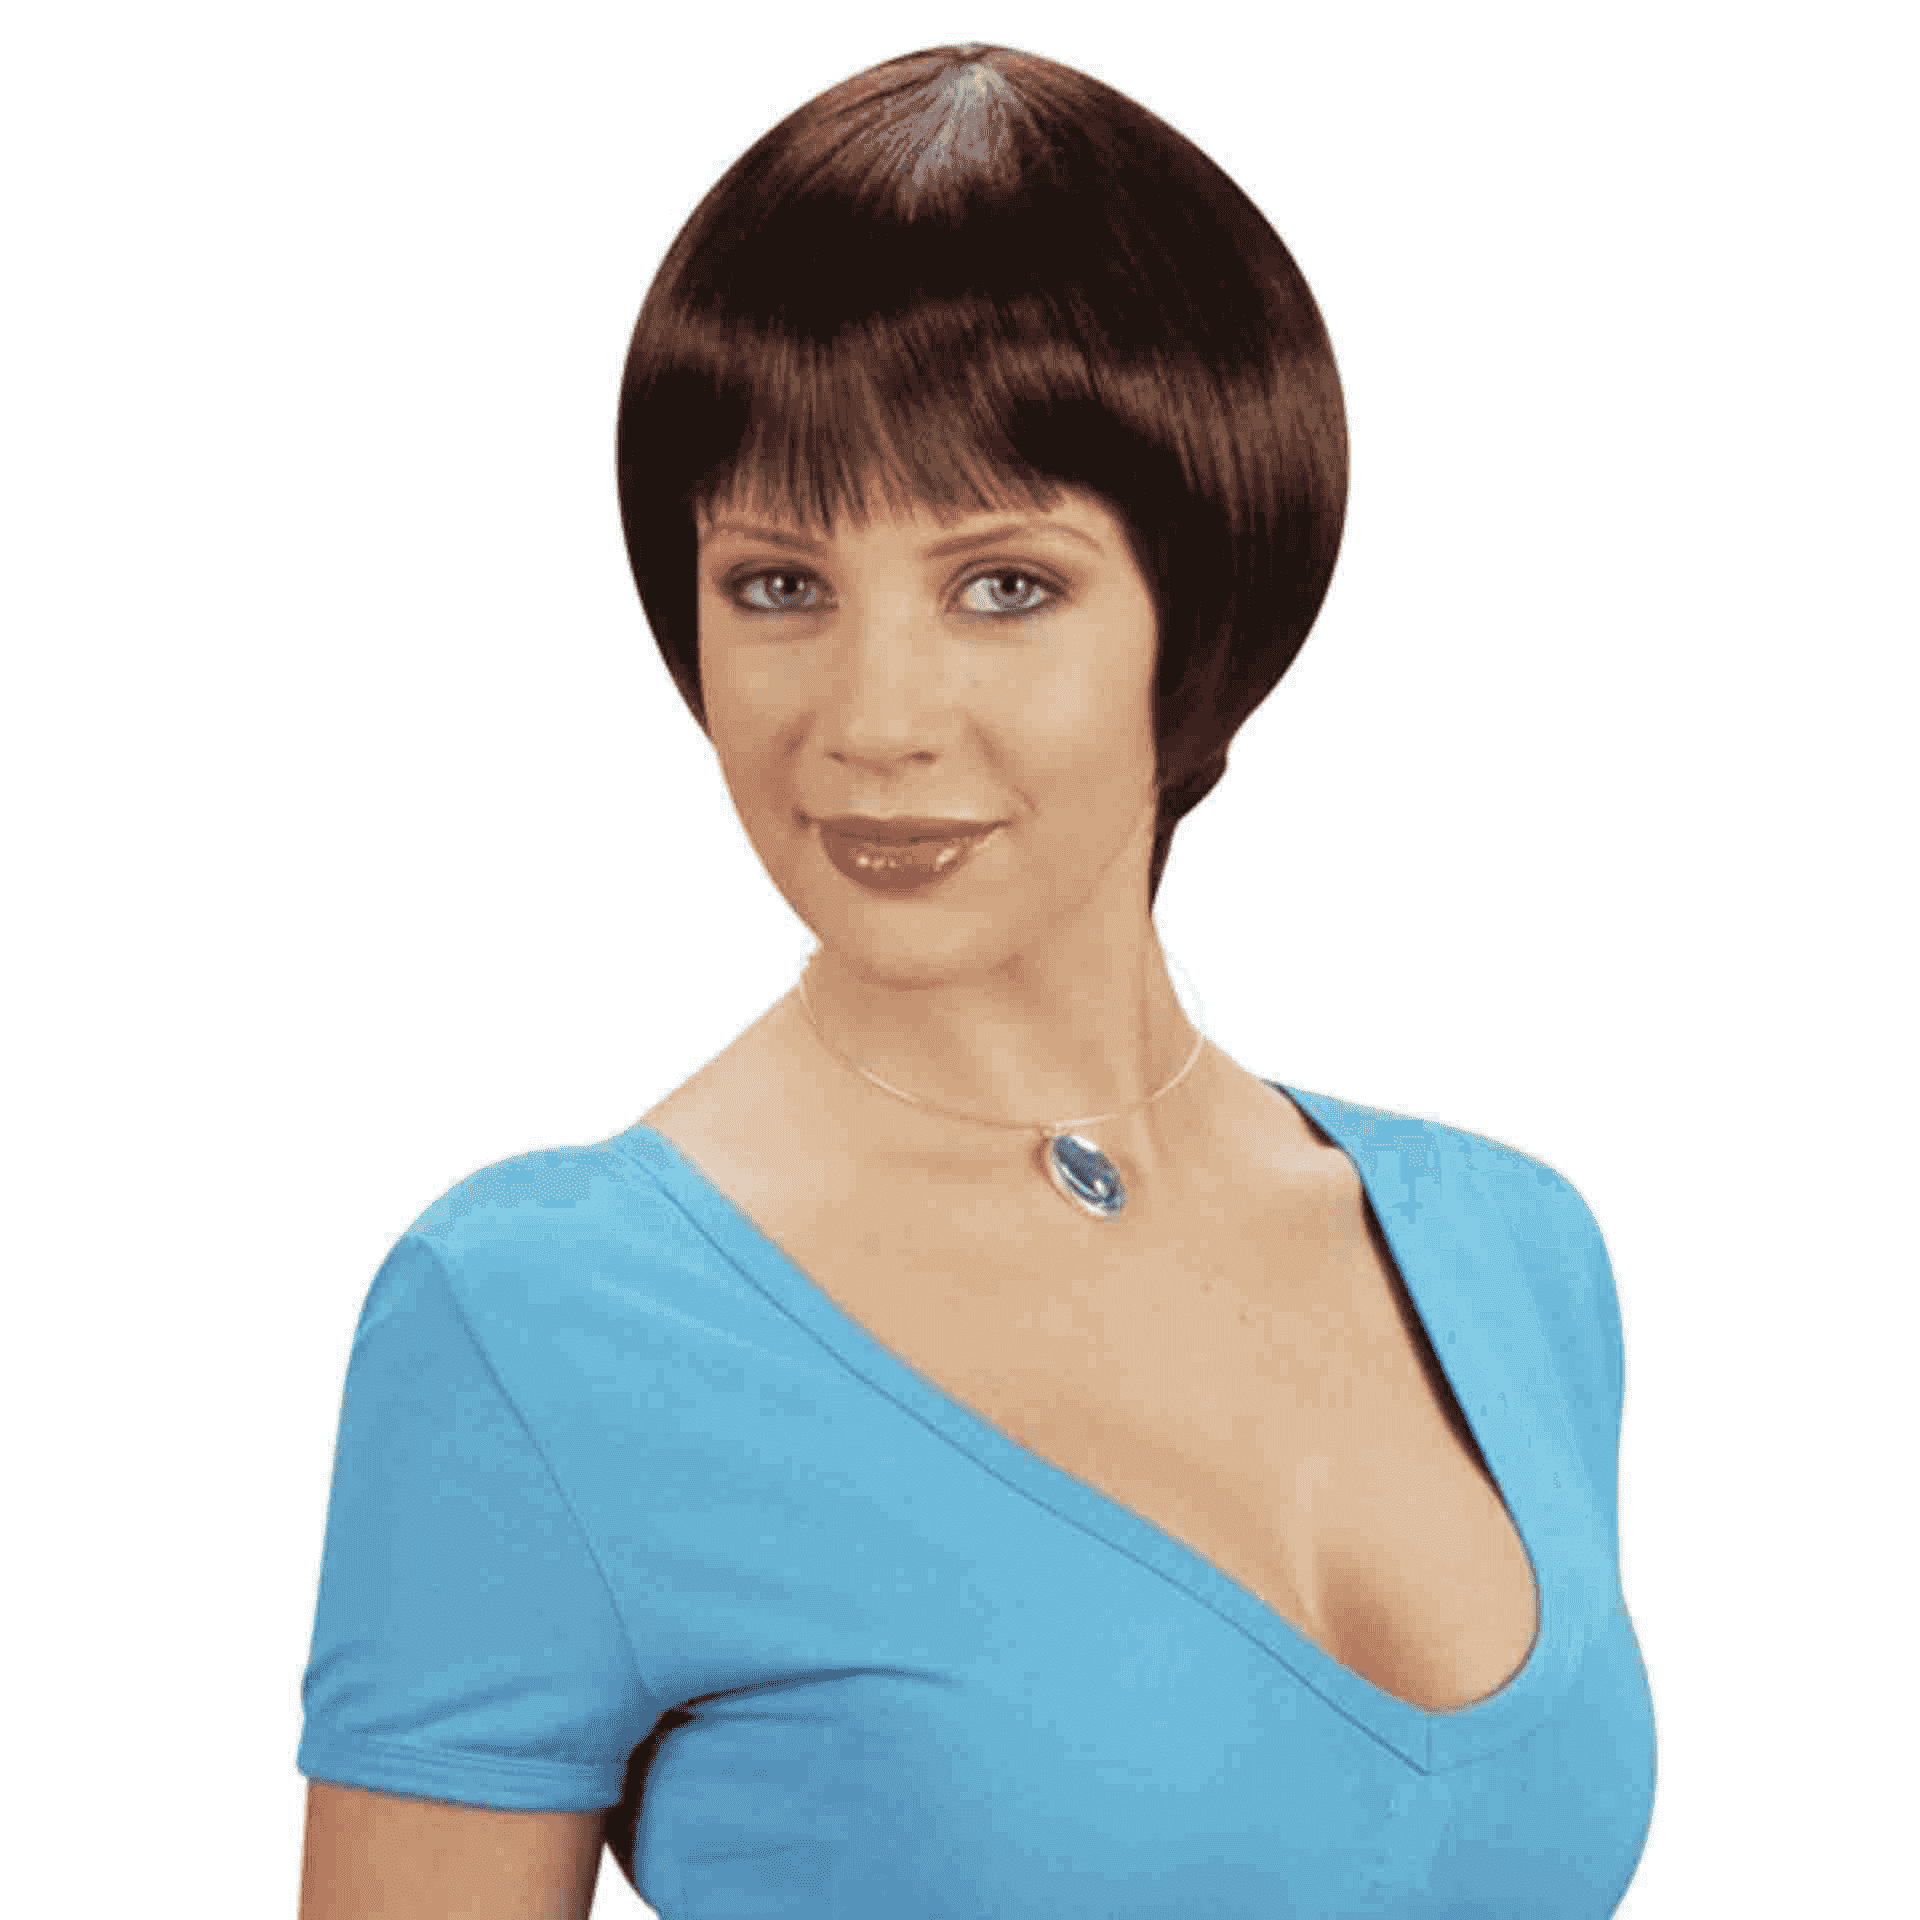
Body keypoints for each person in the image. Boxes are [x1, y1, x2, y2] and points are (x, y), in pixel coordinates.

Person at [296, 42, 1656, 1918]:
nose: (874, 722)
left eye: (1003, 585)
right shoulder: (535, 1323)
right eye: (780, 585)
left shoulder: (1516, 1258)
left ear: (1210, 605)